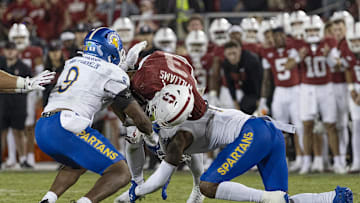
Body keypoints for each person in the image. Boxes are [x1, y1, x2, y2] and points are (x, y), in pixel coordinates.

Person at [122, 103, 353, 203]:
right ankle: (334, 198)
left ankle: (266, 198)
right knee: (279, 201)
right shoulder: (184, 119)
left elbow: (163, 174)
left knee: (209, 186)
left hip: (254, 134)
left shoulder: (179, 135)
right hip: (269, 132)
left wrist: (134, 192)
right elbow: (195, 161)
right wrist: (194, 194)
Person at [36, 27, 152, 203]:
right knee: (120, 172)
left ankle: (48, 199)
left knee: (77, 163)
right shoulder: (111, 72)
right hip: (67, 125)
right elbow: (136, 115)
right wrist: (152, 135)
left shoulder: (73, 61)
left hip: (44, 127)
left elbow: (98, 78)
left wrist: (124, 68)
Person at [115, 51, 208, 203]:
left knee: (189, 138)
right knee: (133, 134)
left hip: (178, 94)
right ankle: (136, 183)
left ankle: (199, 186)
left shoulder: (145, 83)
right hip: (164, 84)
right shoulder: (146, 74)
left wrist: (164, 148)